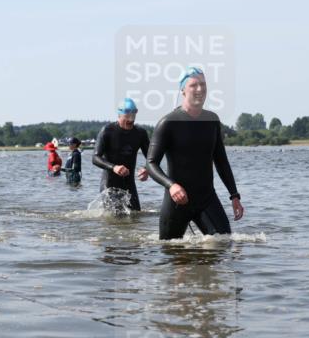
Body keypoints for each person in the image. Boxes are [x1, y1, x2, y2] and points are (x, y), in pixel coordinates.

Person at [146, 67, 244, 239]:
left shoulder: (212, 120)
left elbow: (221, 161)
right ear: (183, 90)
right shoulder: (168, 122)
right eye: (194, 85)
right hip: (176, 201)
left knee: (223, 244)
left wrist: (234, 196)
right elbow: (151, 163)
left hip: (206, 198)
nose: (200, 89)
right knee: (172, 254)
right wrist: (171, 185)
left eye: (203, 85)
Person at [92, 98, 150, 210]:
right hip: (109, 184)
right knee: (113, 221)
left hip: (129, 184)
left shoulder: (140, 133)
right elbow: (95, 158)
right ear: (119, 115)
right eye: (127, 118)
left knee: (136, 217)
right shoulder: (107, 131)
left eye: (132, 119)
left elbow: (151, 158)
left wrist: (146, 169)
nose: (130, 121)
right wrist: (114, 167)